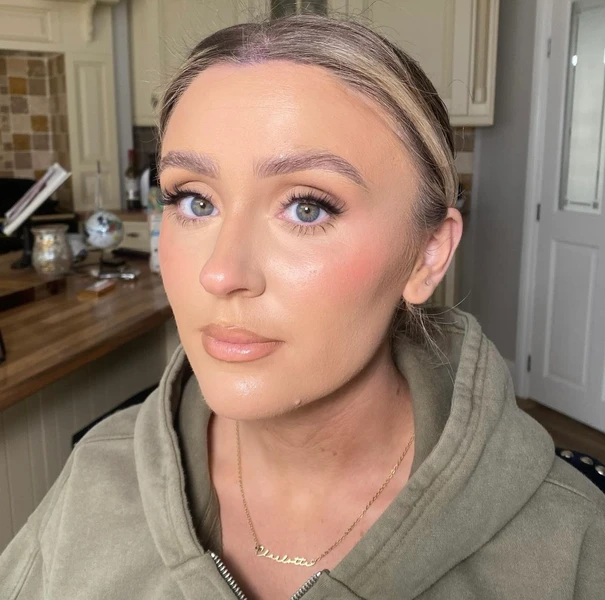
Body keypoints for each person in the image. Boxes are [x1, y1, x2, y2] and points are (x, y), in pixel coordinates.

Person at [1, 14, 604, 600]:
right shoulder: (97, 476)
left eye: (306, 207)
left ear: (427, 255)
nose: (221, 273)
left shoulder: (572, 547)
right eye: (195, 201)